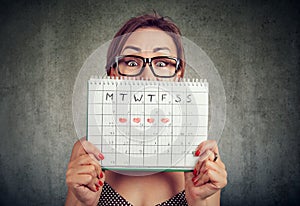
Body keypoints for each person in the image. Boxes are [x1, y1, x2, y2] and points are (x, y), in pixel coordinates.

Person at [65, 13, 227, 206]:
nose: (147, 76)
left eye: (162, 63)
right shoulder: (88, 151)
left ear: (179, 74)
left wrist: (199, 202)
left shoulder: (199, 158)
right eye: (132, 62)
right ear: (113, 73)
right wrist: (84, 203)